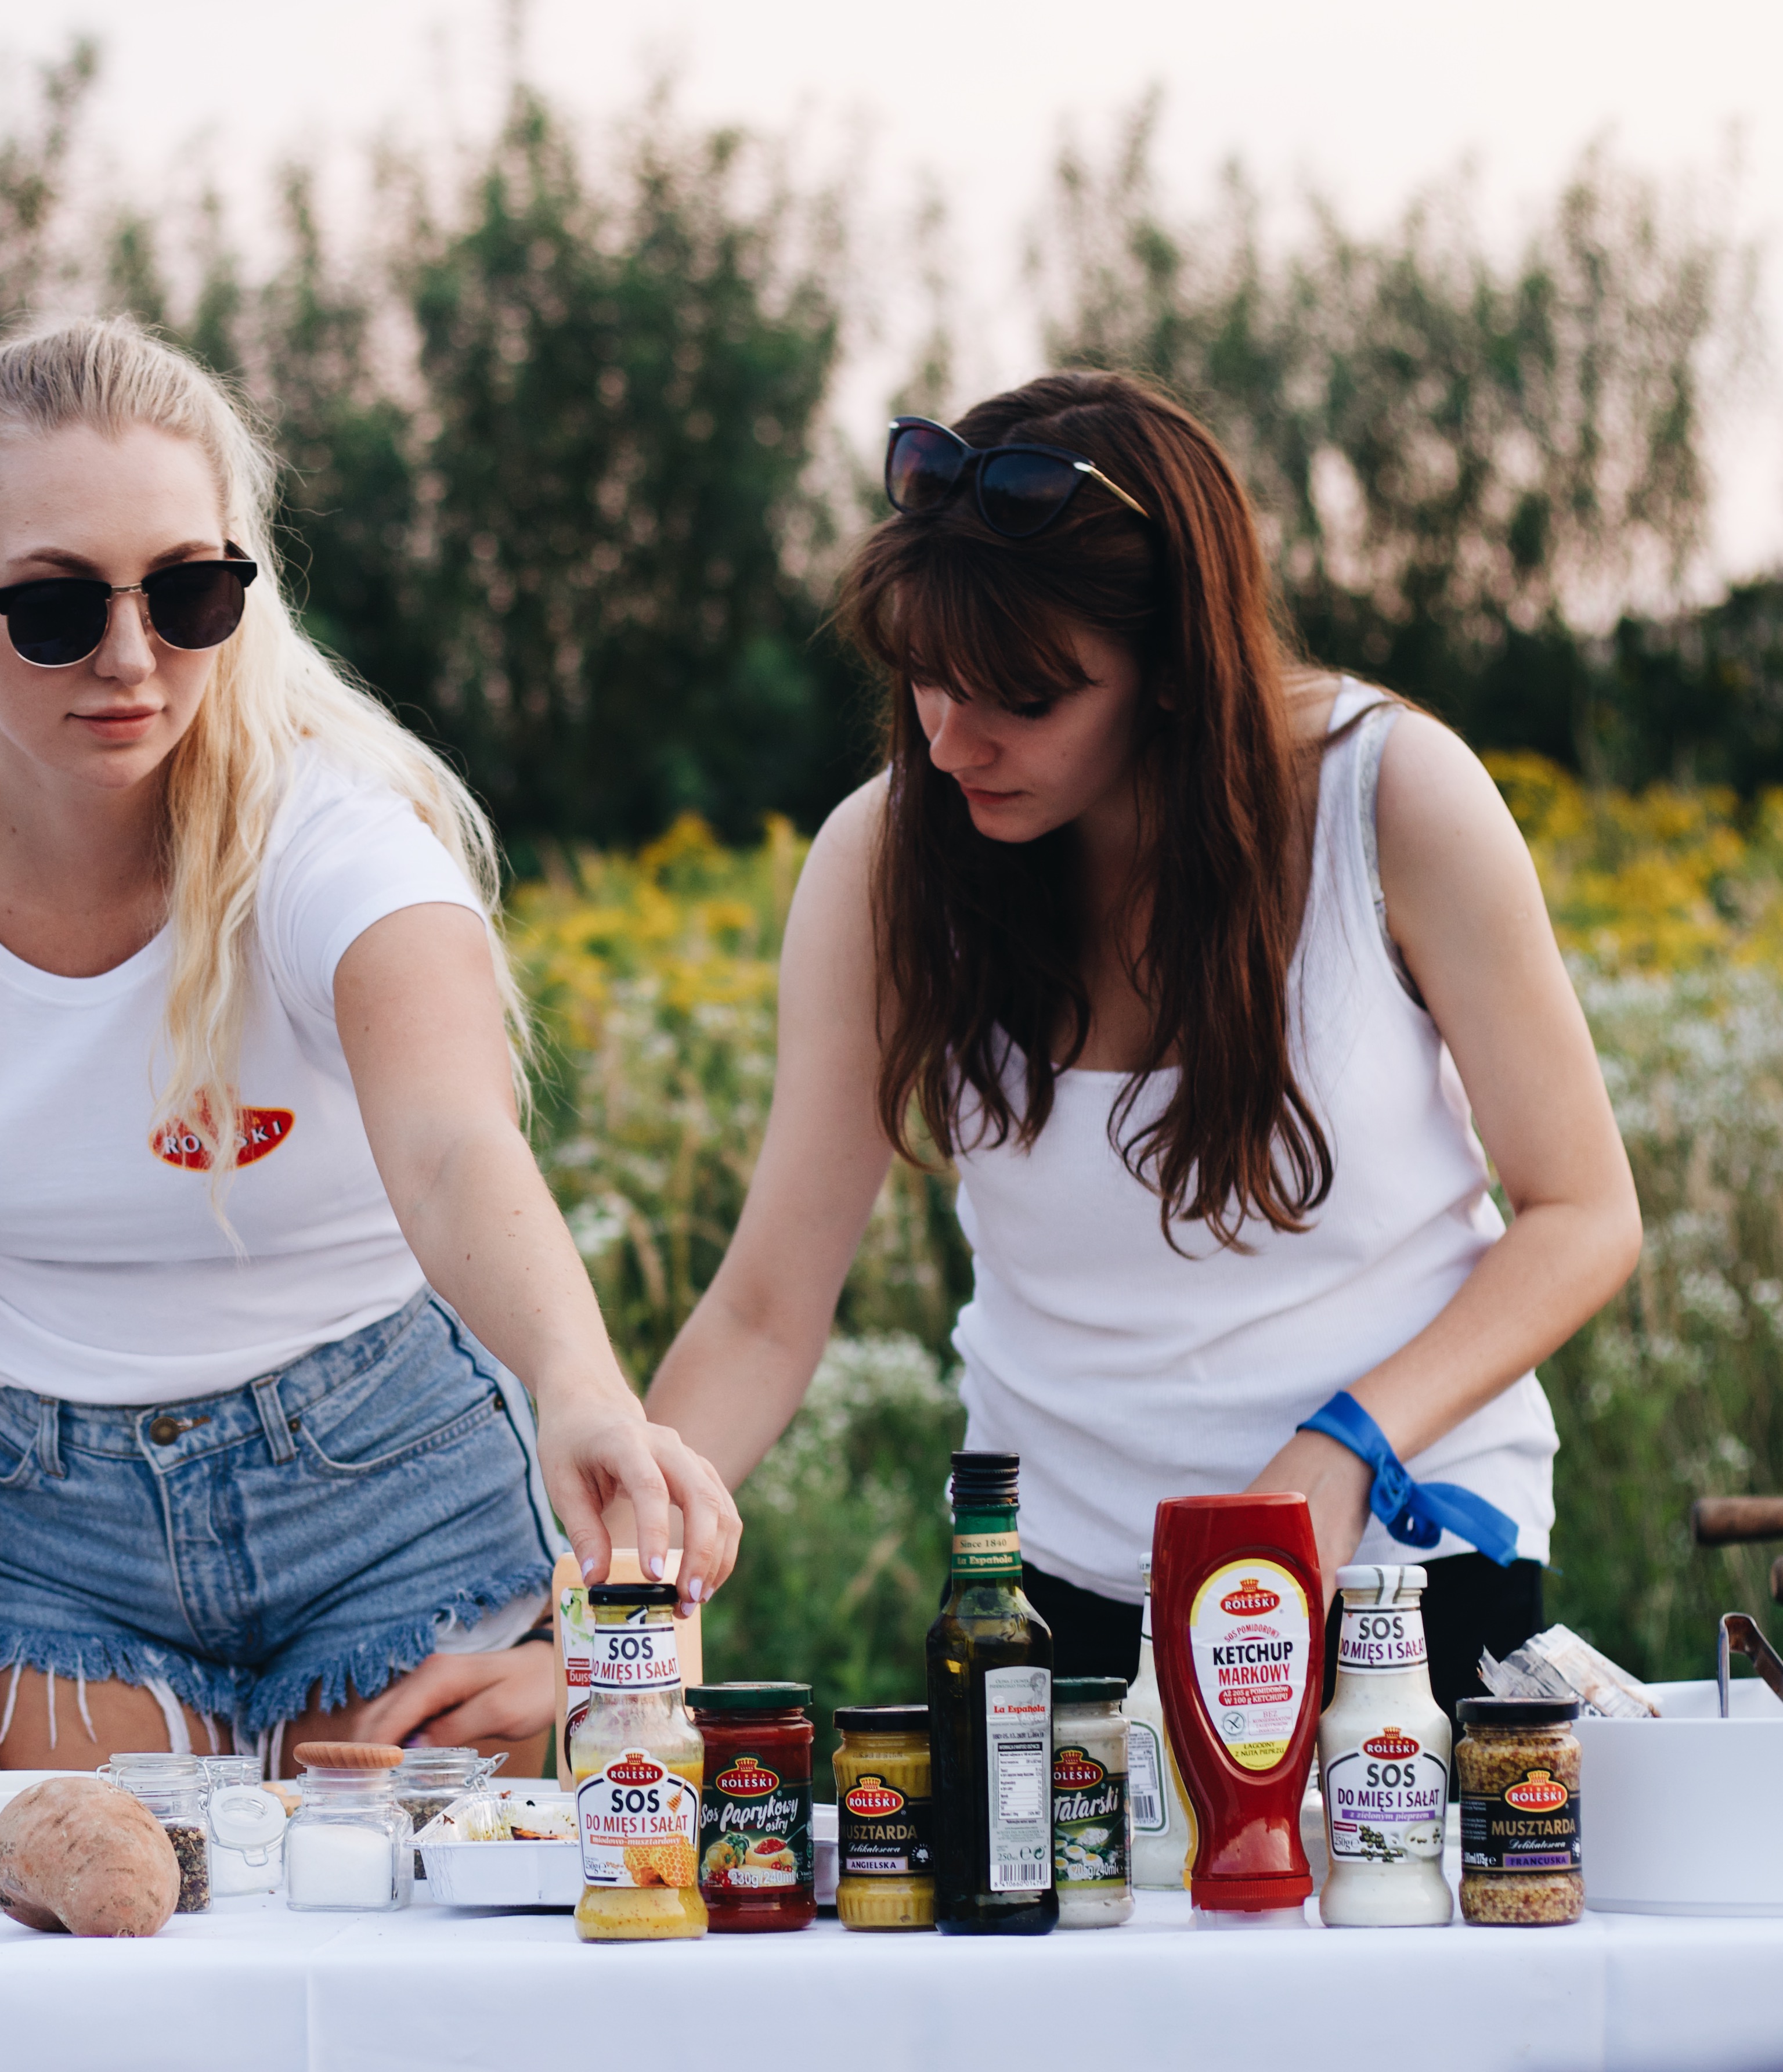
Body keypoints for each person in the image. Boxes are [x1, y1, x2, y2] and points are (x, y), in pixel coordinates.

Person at [0, 316, 735, 1774]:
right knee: (98, 1953)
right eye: (56, 608)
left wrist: (581, 1388)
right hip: (46, 1532)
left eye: (191, 592)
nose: (133, 658)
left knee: (408, 1957)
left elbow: (455, 1145)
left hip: (387, 1496)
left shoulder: (334, 837)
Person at [644, 372, 1641, 1709]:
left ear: (1178, 670)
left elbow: (1583, 1213)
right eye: (925, 680)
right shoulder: (884, 860)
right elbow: (765, 1312)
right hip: (1042, 1599)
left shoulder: (1393, 797)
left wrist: (1347, 1448)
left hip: (1398, 1567)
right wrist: (609, 1604)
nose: (950, 741)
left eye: (1023, 698)